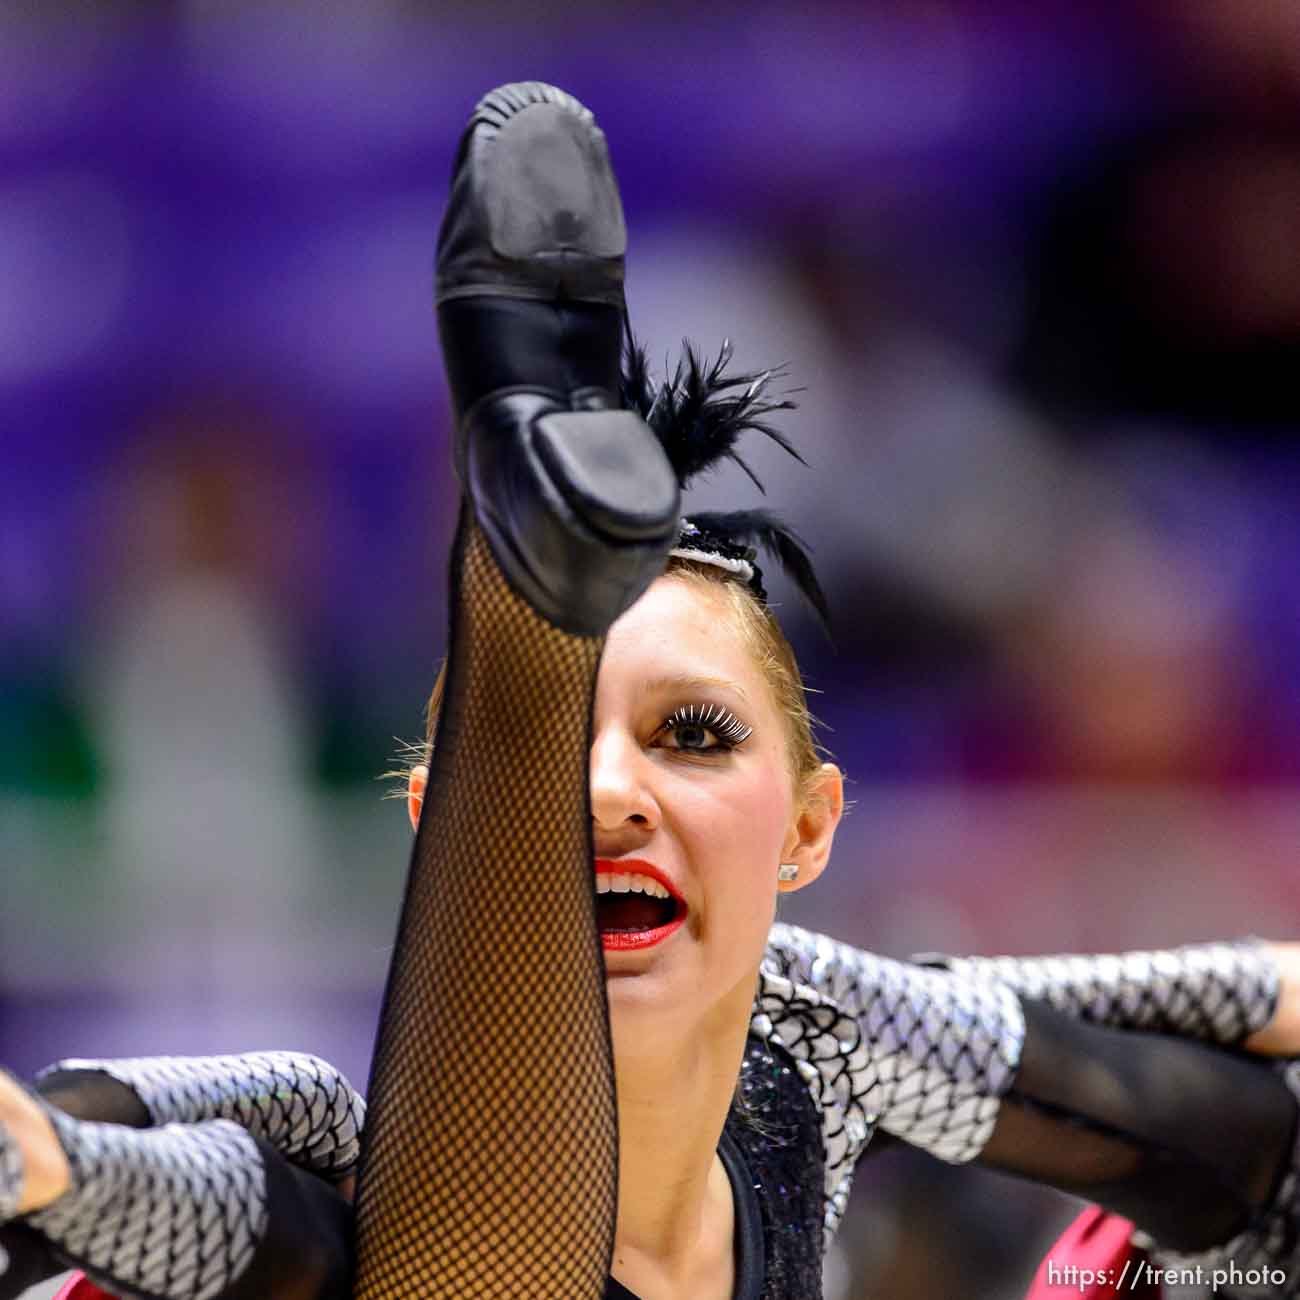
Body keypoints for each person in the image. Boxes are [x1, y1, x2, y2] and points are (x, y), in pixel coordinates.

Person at [2, 82, 1300, 1300]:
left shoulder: (829, 1042)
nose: (614, 792)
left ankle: (532, 601)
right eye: (562, 742)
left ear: (809, 825)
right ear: (435, 823)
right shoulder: (324, 1151)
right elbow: (200, 1179)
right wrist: (59, 1161)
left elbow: (1165, 1063)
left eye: (691, 733)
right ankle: (524, 609)